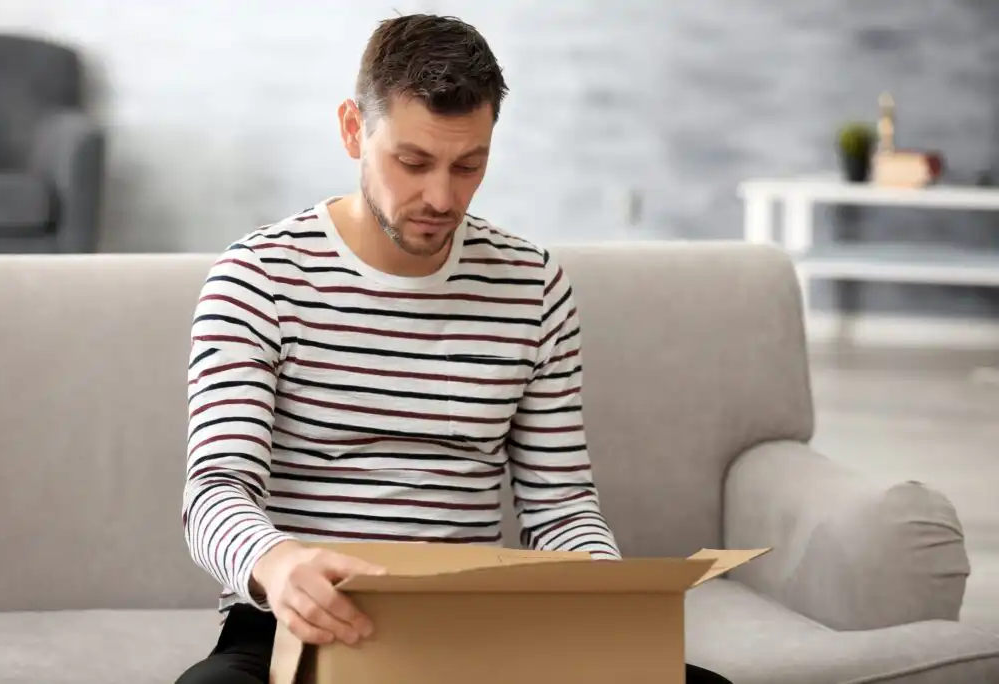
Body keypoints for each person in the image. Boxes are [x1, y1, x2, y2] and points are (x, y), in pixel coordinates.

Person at [176, 13, 732, 684]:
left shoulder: (534, 286)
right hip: (297, 622)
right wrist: (278, 562)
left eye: (469, 165)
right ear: (354, 129)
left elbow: (558, 506)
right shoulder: (256, 279)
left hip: (472, 624)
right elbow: (215, 491)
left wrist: (602, 599)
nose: (442, 197)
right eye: (412, 163)